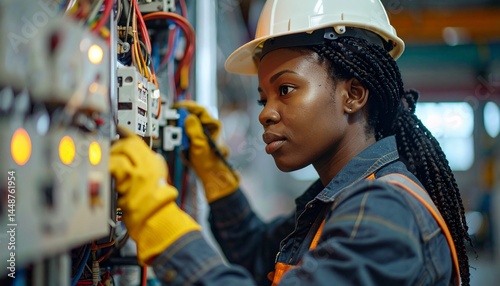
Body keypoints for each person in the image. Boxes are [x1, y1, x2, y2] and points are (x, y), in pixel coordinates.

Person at [109, 0, 472, 285]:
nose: (265, 114)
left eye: (286, 89)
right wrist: (215, 176)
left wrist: (160, 223)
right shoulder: (339, 199)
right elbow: (256, 254)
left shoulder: (382, 211)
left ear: (354, 94)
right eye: (262, 98)